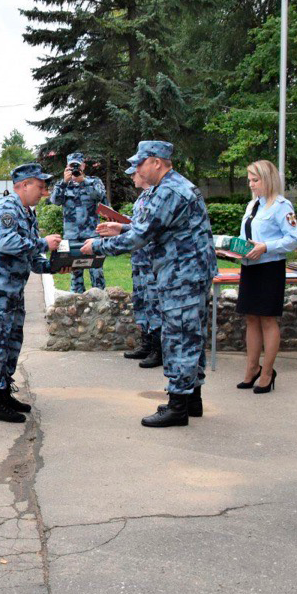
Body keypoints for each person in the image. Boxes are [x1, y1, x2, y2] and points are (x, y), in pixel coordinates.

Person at [81, 141, 217, 427]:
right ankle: (192, 399)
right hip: (188, 273)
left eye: (141, 163)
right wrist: (124, 227)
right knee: (191, 335)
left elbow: (140, 238)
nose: (137, 169)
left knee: (178, 336)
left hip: (181, 274)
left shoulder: (169, 190)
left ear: (156, 162)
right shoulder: (175, 187)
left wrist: (99, 246)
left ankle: (178, 405)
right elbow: (157, 226)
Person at [0, 163, 63, 424]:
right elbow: (7, 243)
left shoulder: (27, 213)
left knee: (11, 343)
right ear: (23, 185)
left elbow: (33, 258)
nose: (44, 190)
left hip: (12, 289)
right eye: (40, 184)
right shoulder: (6, 208)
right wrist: (43, 243)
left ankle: (3, 392)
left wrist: (54, 265)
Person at [235, 160, 297, 394]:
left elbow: (293, 239)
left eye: (255, 180)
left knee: (267, 320)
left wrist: (266, 247)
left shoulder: (282, 206)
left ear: (268, 179)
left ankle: (267, 373)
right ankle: (252, 368)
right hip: (250, 266)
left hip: (270, 268)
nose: (251, 185)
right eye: (249, 180)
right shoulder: (252, 205)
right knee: (251, 318)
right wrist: (233, 248)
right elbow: (245, 236)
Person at [99, 169, 162, 368]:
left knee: (154, 304)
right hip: (139, 258)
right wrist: (122, 223)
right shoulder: (144, 197)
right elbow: (139, 224)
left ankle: (158, 350)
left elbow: (148, 229)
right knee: (141, 301)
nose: (132, 177)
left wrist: (123, 228)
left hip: (151, 259)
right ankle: (146, 343)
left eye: (134, 173)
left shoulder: (158, 196)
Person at [50, 152, 107, 293]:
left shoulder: (94, 181)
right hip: (72, 235)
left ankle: (100, 299)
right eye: (72, 165)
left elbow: (100, 196)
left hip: (92, 233)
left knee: (96, 270)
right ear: (66, 166)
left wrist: (83, 181)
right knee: (75, 271)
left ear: (83, 166)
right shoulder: (63, 184)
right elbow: (55, 201)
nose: (75, 167)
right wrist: (64, 182)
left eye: (78, 165)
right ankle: (77, 300)